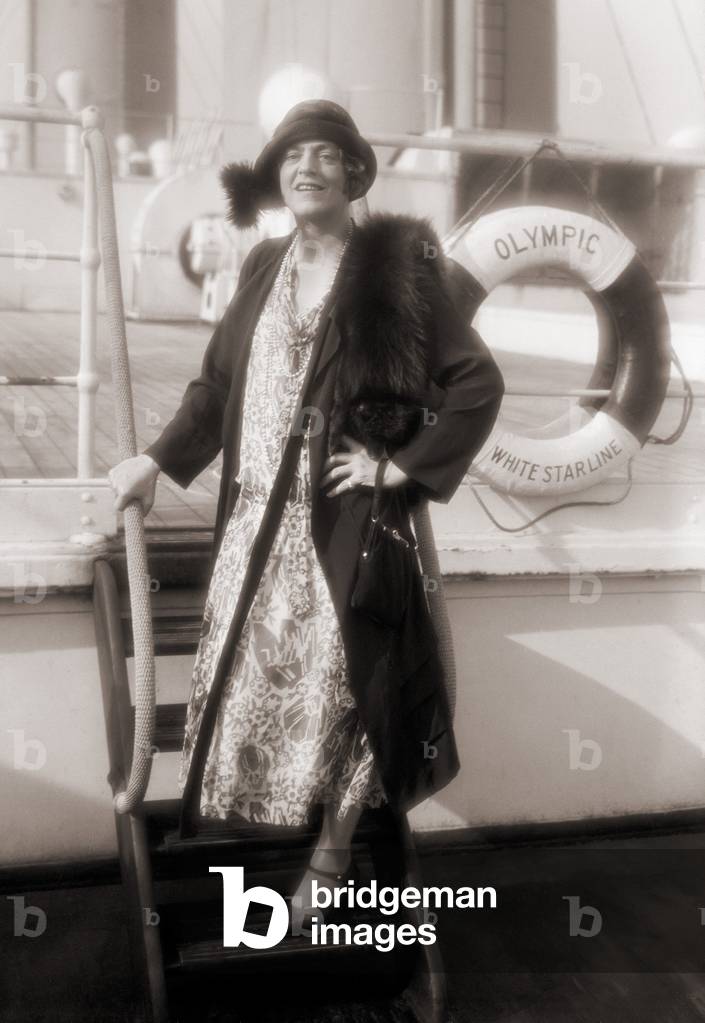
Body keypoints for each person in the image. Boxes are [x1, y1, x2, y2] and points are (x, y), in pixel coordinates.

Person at [108, 100, 505, 919]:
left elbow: (477, 382)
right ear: (277, 174)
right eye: (292, 155)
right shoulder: (262, 266)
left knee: (347, 687)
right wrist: (154, 460)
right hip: (255, 526)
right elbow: (216, 385)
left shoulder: (396, 269)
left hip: (342, 526)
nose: (306, 167)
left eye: (326, 155)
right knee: (259, 683)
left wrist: (399, 468)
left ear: (355, 175)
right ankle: (263, 835)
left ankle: (330, 848)